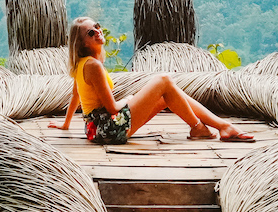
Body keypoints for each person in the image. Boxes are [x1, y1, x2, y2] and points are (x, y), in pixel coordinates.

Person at [48, 16, 256, 145]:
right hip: (108, 129)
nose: (98, 32)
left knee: (168, 94)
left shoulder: (83, 64)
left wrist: (65, 125)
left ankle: (216, 127)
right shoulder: (93, 66)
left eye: (97, 26)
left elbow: (76, 96)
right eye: (91, 32)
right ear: (82, 42)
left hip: (97, 130)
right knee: (164, 80)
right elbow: (111, 108)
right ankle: (202, 127)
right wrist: (129, 100)